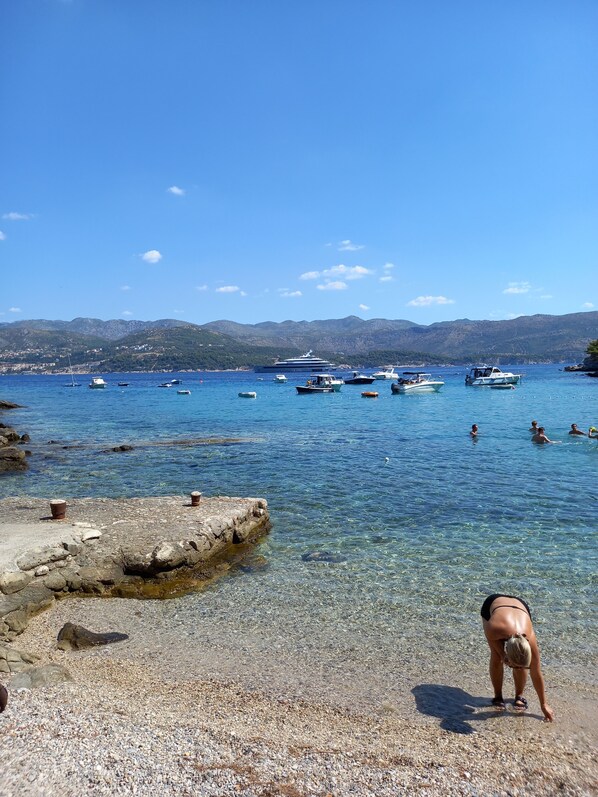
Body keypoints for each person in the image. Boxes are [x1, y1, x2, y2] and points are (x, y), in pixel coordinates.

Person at [481, 594, 554, 721]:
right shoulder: (494, 629)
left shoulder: (529, 638)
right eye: (514, 666)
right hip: (493, 604)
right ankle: (498, 696)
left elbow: (536, 673)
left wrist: (544, 704)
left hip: (520, 607)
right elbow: (493, 642)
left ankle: (519, 696)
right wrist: (503, 655)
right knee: (496, 657)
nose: (516, 668)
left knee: (521, 664)